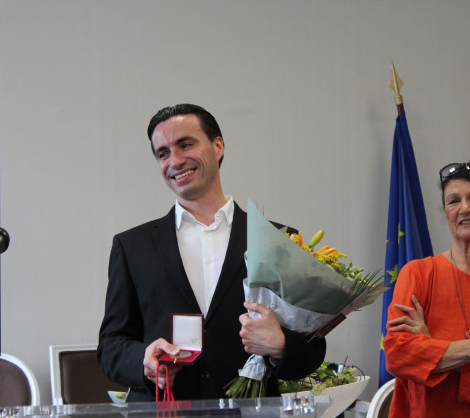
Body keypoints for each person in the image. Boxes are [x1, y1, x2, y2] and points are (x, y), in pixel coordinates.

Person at [97, 103, 326, 402]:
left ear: (218, 146)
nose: (175, 161)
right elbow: (110, 346)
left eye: (185, 145)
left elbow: (311, 350)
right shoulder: (131, 246)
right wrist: (144, 360)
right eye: (163, 153)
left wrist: (281, 344)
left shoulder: (280, 240)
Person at [383, 161, 470, 417]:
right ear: (446, 212)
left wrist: (430, 349)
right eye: (453, 201)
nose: (465, 208)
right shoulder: (418, 273)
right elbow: (397, 355)